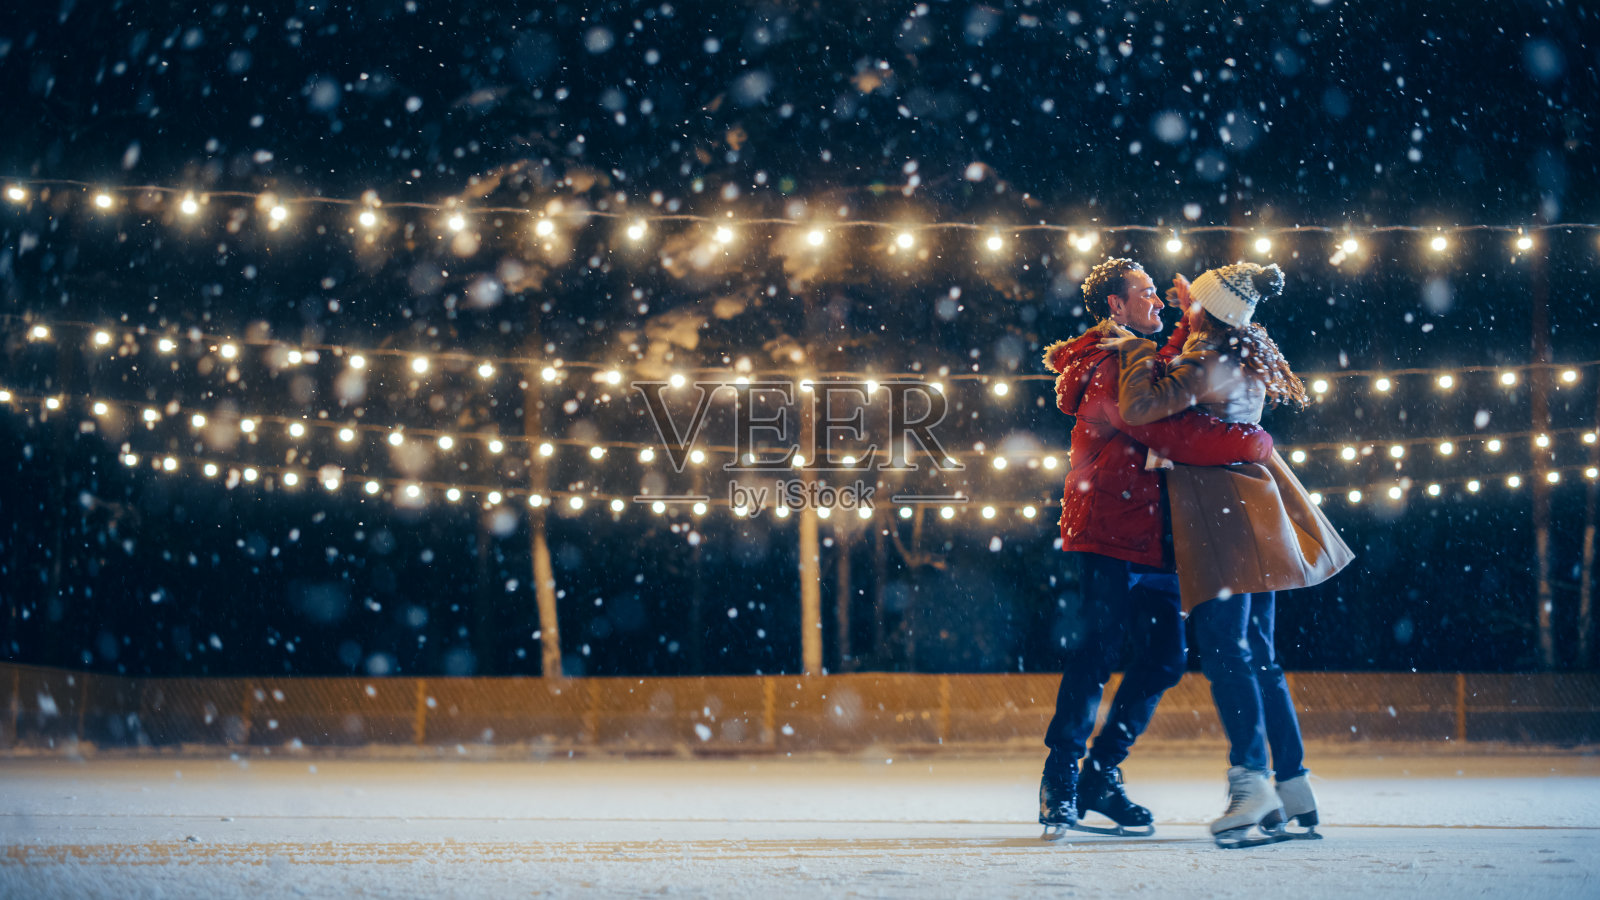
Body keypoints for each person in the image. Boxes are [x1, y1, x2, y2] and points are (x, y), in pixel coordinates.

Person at [1104, 261, 1354, 847]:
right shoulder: (1238, 349)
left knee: (1226, 650)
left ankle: (1252, 785)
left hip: (1220, 513)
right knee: (1259, 654)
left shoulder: (1205, 358)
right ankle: (1292, 786)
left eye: (1193, 303)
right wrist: (1193, 312)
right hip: (1253, 508)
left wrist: (1136, 349)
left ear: (1207, 311)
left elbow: (1143, 408)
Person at [1037, 258, 1276, 839]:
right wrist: (1250, 440)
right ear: (1115, 307)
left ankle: (1100, 773)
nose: (1159, 302)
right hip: (1109, 530)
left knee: (1167, 656)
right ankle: (1061, 778)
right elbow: (1162, 427)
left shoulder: (1137, 355)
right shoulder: (1105, 364)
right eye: (1145, 294)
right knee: (1099, 649)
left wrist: (1191, 318)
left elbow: (1169, 376)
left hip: (1155, 537)